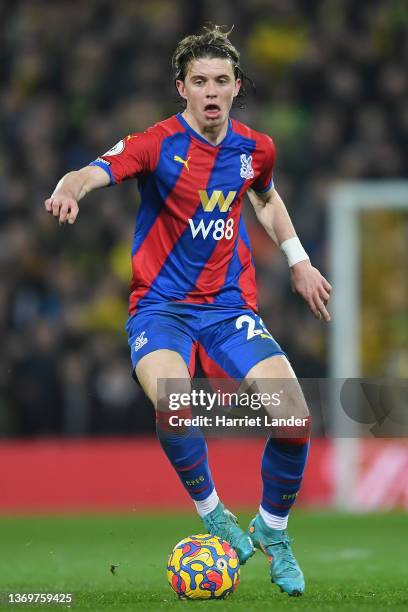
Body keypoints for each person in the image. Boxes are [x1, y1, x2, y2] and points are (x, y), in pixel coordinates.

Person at [45, 25, 331, 597]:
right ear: (182, 88)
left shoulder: (256, 149)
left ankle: (272, 531)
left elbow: (266, 197)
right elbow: (95, 170)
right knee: (176, 403)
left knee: (295, 419)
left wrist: (297, 259)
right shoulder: (155, 144)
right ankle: (216, 515)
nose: (210, 91)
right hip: (160, 309)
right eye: (199, 81)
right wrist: (71, 187)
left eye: (221, 81)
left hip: (228, 308)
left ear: (235, 87)